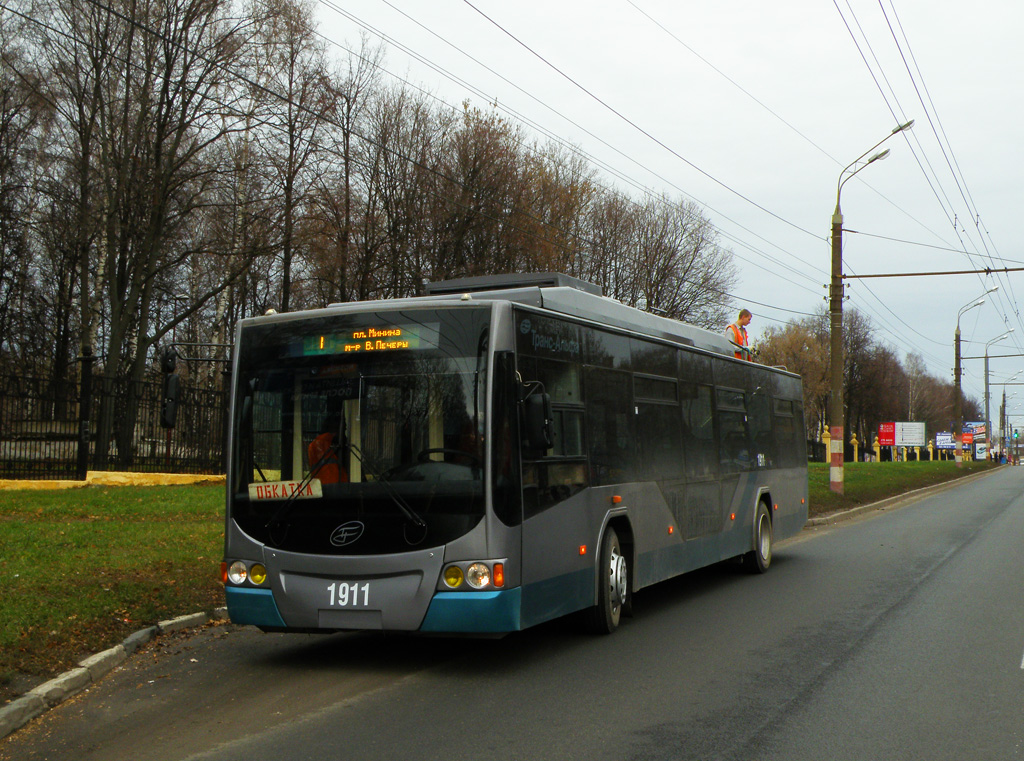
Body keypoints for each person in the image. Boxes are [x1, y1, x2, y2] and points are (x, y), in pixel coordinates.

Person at [308, 414, 348, 484]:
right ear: (337, 429)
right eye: (344, 429)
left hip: (318, 486)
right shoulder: (335, 443)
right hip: (337, 487)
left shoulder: (312, 445)